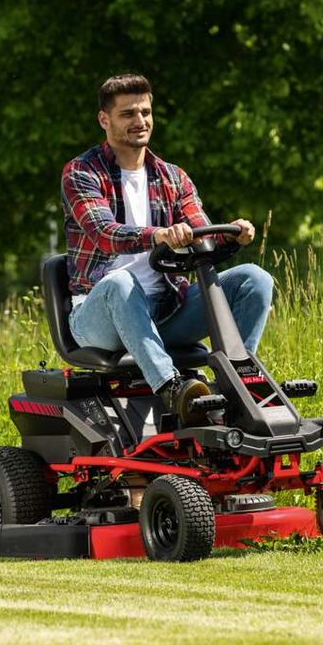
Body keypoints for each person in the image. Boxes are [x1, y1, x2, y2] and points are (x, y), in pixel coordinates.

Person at [61, 73, 273, 425]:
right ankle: (172, 388)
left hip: (167, 311)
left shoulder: (173, 177)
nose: (140, 121)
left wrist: (232, 236)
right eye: (128, 114)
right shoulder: (81, 172)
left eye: (145, 112)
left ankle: (237, 386)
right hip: (99, 317)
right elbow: (104, 233)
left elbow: (201, 238)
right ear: (104, 119)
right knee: (121, 282)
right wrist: (158, 235)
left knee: (255, 279)